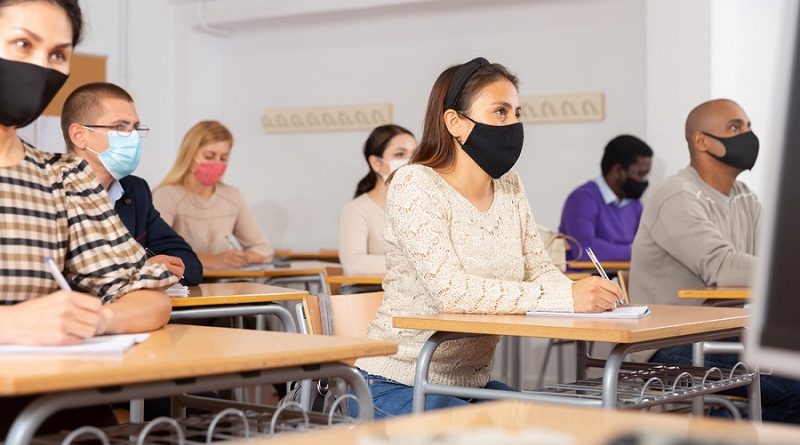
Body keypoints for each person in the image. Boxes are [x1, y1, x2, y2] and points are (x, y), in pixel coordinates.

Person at [352, 57, 623, 418]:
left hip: (468, 383)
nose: (512, 124)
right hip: (395, 380)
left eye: (517, 113)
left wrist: (586, 296)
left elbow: (538, 269)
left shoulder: (509, 184)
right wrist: (565, 296)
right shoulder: (415, 184)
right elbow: (451, 291)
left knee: (554, 422)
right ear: (455, 123)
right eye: (499, 112)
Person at [0, 0, 177, 436]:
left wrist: (100, 319)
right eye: (23, 44)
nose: (41, 67)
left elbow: (150, 297)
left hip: (42, 413)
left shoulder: (64, 178)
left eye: (57, 54)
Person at [630, 98, 800, 424]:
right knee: (793, 385)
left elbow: (771, 261)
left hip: (728, 333)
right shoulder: (677, 196)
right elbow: (721, 267)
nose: (747, 136)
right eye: (735, 127)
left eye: (748, 127)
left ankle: (725, 422)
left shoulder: (746, 196)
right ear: (701, 141)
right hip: (667, 343)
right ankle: (725, 423)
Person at [61, 82, 203, 285]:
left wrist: (151, 268)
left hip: (132, 312)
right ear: (79, 135)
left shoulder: (134, 191)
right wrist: (140, 270)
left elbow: (190, 265)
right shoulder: (49, 190)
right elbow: (55, 279)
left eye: (135, 127)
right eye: (120, 126)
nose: (133, 136)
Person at [153, 120, 273, 270]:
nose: (217, 163)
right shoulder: (166, 195)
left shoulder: (232, 196)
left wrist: (238, 258)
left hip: (227, 285)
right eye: (209, 156)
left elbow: (264, 250)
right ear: (189, 156)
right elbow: (156, 252)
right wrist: (210, 260)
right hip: (183, 285)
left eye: (223, 158)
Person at [559, 135, 653, 261]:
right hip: (585, 278)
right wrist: (636, 252)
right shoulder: (582, 199)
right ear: (618, 171)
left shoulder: (634, 204)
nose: (643, 181)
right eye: (640, 174)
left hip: (621, 276)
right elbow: (586, 251)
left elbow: (644, 246)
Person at [339, 124, 416, 276]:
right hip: (373, 294)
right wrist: (414, 264)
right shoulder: (356, 209)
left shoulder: (421, 206)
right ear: (376, 163)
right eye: (400, 155)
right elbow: (354, 264)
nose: (411, 161)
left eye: (415, 153)